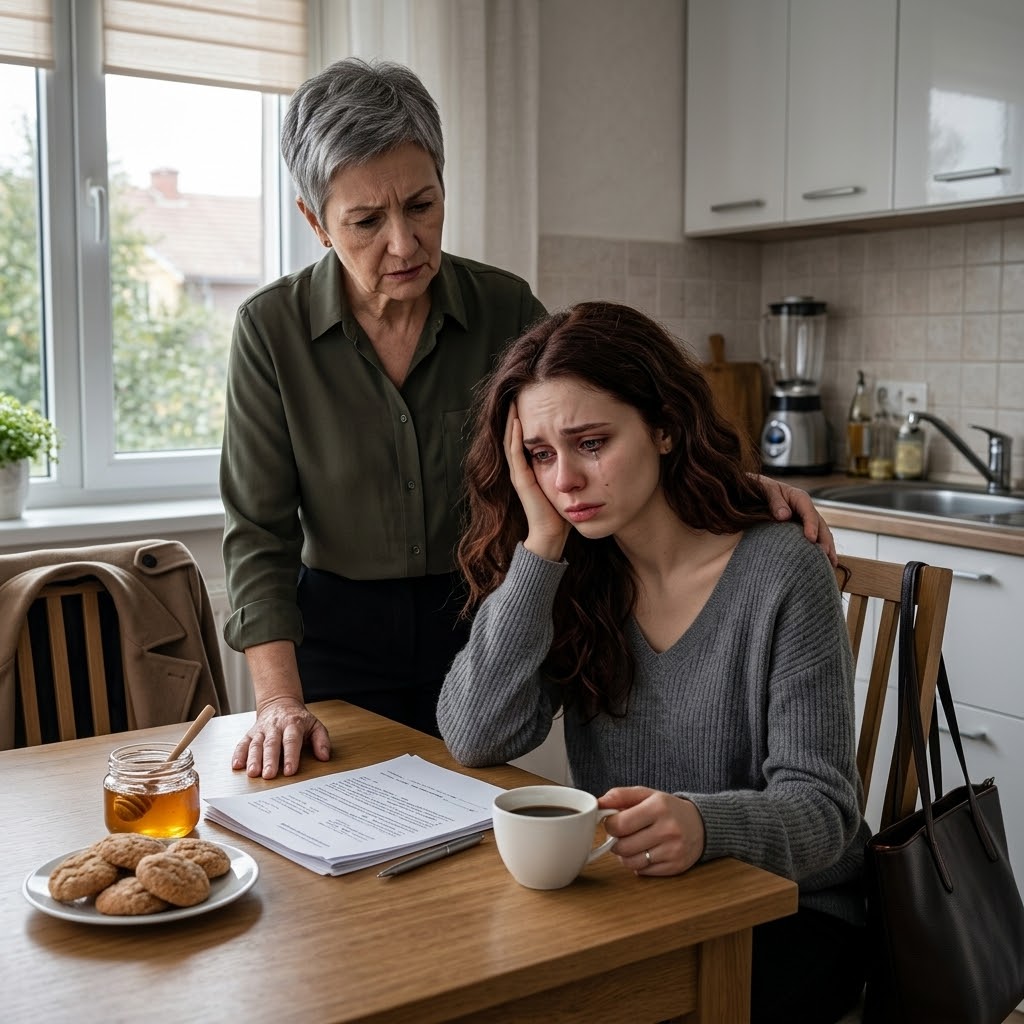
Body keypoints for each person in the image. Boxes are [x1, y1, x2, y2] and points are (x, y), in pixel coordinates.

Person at [220, 57, 836, 782]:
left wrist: (729, 484)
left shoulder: (505, 307)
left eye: (422, 205)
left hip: (479, 603)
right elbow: (259, 535)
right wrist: (279, 702)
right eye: (365, 221)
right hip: (338, 628)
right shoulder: (270, 330)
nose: (404, 243)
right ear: (315, 222)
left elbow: (593, 413)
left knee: (468, 829)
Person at [437, 301, 868, 1024]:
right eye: (541, 455)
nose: (566, 479)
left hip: (788, 914)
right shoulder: (577, 575)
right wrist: (541, 545)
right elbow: (475, 734)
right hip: (636, 906)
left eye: (592, 442)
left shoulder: (782, 573)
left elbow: (824, 813)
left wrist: (704, 826)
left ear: (665, 426)